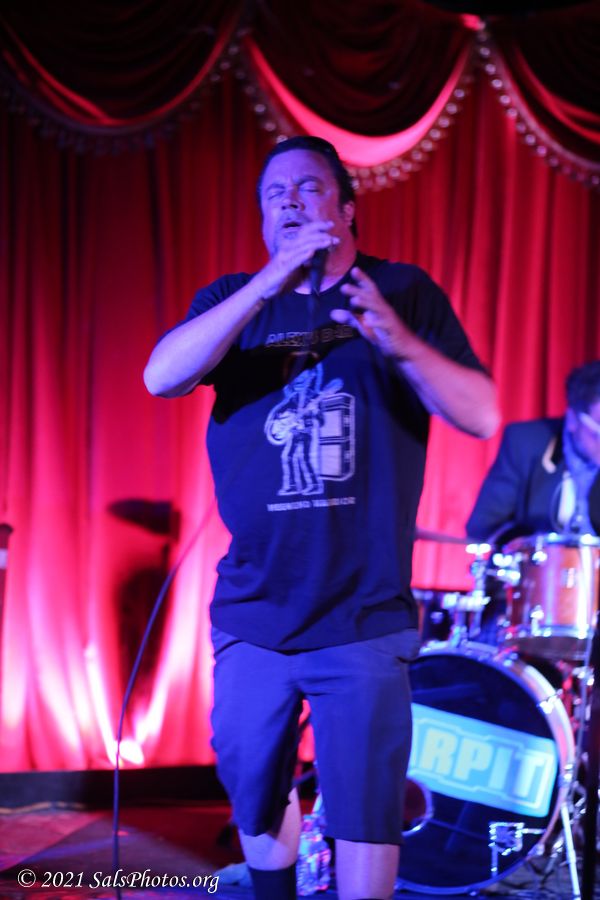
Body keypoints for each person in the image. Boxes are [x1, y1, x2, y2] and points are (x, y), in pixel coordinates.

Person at [144, 136, 499, 900]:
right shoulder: (235, 300)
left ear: (346, 207)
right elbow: (161, 375)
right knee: (251, 779)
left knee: (366, 808)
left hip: (362, 611)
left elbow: (480, 412)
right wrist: (269, 281)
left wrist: (398, 341)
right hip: (255, 607)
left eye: (307, 188)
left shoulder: (400, 291)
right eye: (274, 195)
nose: (290, 203)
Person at [467, 360, 600, 544]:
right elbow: (483, 525)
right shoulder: (525, 442)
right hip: (538, 559)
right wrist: (528, 545)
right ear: (572, 419)